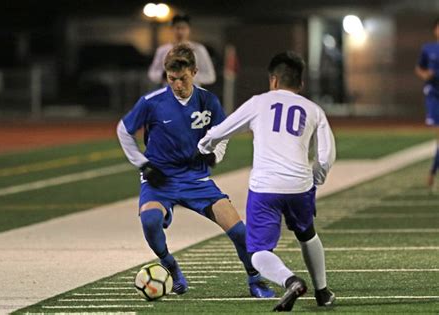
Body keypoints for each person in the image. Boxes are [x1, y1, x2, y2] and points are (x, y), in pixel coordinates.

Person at [117, 44, 273, 298]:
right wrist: (142, 164)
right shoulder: (151, 102)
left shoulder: (207, 100)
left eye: (183, 78)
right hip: (160, 179)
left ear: (194, 72)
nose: (177, 84)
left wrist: (215, 155)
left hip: (196, 180)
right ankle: (171, 267)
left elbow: (222, 134)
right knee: (150, 221)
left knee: (240, 232)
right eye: (172, 79)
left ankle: (256, 280)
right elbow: (123, 130)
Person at [198, 51, 336, 311]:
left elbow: (221, 130)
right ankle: (323, 292)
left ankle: (290, 280)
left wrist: (204, 145)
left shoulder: (259, 103)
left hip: (265, 188)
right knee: (307, 235)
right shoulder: (314, 110)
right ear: (301, 84)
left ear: (273, 80)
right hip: (300, 186)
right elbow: (326, 156)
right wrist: (314, 179)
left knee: (259, 251)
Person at [148, 14, 216, 86]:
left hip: (192, 93)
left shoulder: (198, 49)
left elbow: (210, 76)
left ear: (189, 29)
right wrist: (163, 75)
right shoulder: (162, 50)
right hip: (169, 93)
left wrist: (187, 76)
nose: (180, 32)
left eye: (183, 28)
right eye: (177, 28)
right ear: (172, 29)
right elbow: (152, 73)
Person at [415, 18, 439, 190]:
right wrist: (425, 75)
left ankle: (432, 172)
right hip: (434, 97)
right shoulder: (428, 48)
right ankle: (432, 172)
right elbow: (419, 68)